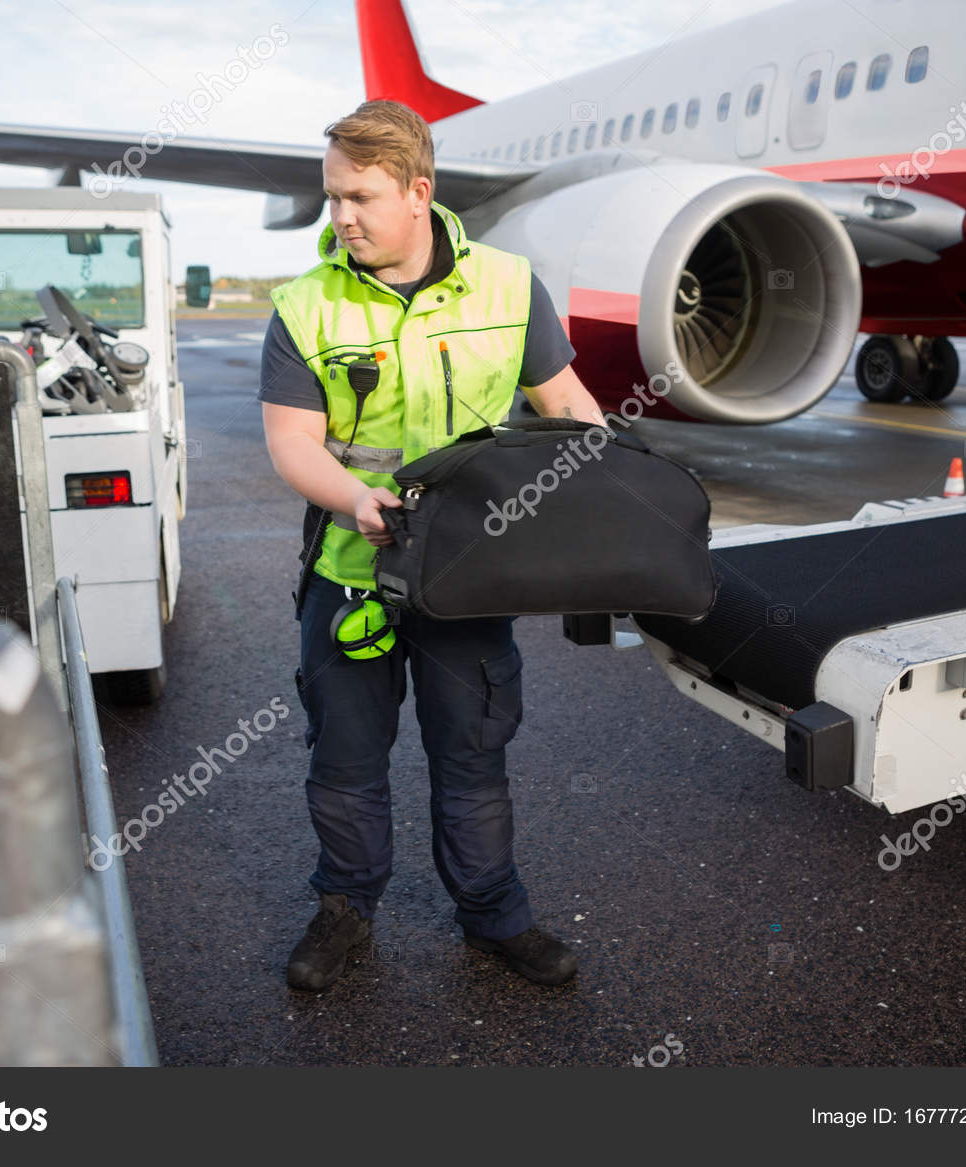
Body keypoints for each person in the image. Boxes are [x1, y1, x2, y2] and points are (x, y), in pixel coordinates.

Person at [259, 99, 608, 992]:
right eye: (332, 195)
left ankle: (495, 916)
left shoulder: (507, 285)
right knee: (345, 767)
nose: (338, 216)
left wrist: (607, 502)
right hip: (350, 574)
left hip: (464, 580)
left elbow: (567, 405)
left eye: (360, 198)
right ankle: (345, 913)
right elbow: (293, 441)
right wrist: (353, 497)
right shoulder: (306, 304)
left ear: (419, 192)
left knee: (473, 760)